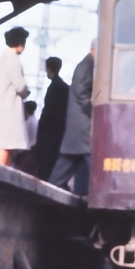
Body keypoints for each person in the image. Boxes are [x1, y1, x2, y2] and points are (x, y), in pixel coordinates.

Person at [51, 42, 95, 196]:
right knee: (94, 160)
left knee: (68, 161)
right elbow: (82, 92)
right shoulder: (87, 66)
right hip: (83, 124)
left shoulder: (88, 65)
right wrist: (93, 109)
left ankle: (53, 188)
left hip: (78, 126)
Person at [0, 28, 33, 166]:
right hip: (9, 109)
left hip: (3, 107)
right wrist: (27, 92)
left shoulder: (3, 59)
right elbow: (21, 86)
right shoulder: (13, 60)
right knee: (6, 145)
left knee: (5, 144)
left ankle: (0, 173)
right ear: (20, 43)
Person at [27, 56, 68, 179]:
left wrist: (42, 127)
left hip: (49, 132)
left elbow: (48, 111)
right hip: (60, 131)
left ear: (49, 69)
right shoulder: (65, 87)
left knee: (45, 166)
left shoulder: (53, 87)